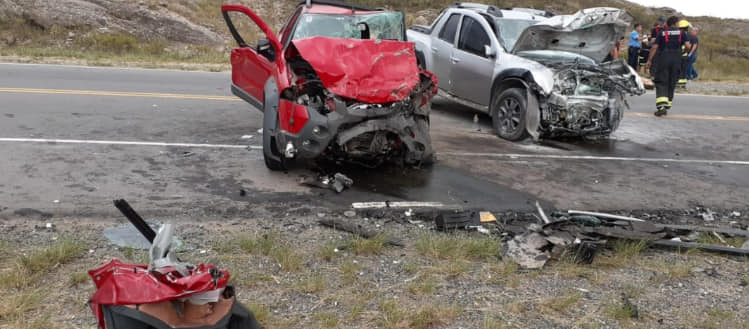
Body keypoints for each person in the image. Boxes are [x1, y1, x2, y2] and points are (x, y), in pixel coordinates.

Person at [646, 16, 691, 116]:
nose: (679, 25)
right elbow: (688, 46)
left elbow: (655, 47)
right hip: (676, 59)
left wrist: (649, 60)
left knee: (662, 81)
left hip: (664, 59)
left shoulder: (662, 33)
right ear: (674, 24)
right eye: (678, 23)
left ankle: (661, 106)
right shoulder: (682, 33)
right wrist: (684, 51)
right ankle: (668, 103)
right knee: (672, 80)